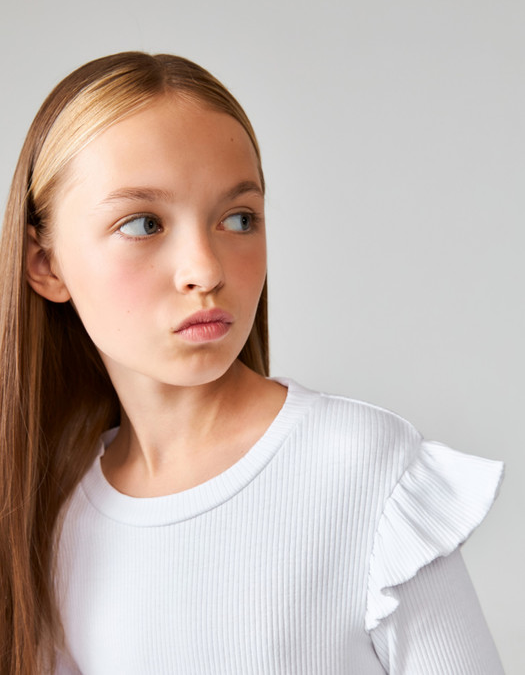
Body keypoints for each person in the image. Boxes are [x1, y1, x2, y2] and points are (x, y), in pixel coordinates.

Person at [0, 52, 504, 675]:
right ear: (45, 264)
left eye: (238, 219)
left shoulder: (363, 471)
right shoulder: (58, 521)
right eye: (144, 224)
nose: (205, 269)